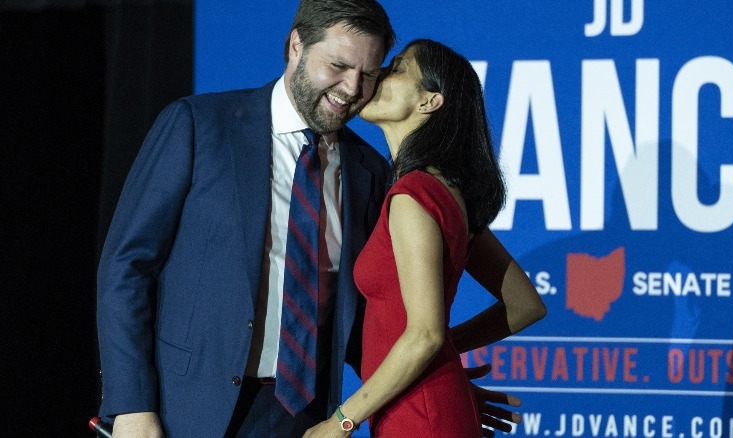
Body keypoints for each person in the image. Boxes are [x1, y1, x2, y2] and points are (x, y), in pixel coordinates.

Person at [96, 1, 522, 436]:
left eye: (370, 73)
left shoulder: (372, 174)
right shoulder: (198, 126)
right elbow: (126, 267)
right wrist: (132, 403)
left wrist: (427, 383)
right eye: (338, 65)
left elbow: (365, 318)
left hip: (301, 416)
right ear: (296, 45)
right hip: (184, 409)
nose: (353, 88)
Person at [303, 39, 547, 437]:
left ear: (430, 101)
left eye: (397, 68)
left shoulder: (413, 195)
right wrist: (437, 355)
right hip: (426, 403)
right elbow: (525, 305)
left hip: (419, 417)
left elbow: (426, 334)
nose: (378, 74)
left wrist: (341, 421)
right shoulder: (444, 192)